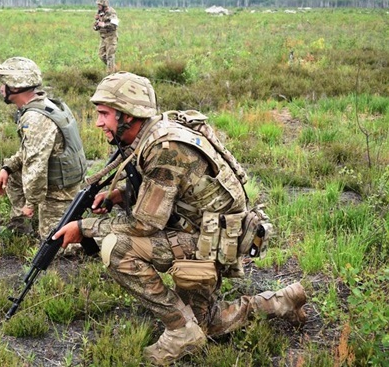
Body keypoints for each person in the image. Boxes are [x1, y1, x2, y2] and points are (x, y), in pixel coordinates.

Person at [53, 72, 307, 365]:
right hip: (208, 231)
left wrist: (83, 228)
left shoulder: (165, 148)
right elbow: (173, 188)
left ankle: (179, 331)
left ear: (129, 115)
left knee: (116, 247)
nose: (98, 123)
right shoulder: (155, 131)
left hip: (211, 240)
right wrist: (119, 194)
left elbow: (145, 224)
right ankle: (283, 301)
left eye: (104, 114)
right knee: (206, 324)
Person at [0, 57, 87, 243]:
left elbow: (36, 166)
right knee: (13, 175)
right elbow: (29, 151)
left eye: (4, 84)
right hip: (56, 178)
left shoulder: (35, 119)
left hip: (60, 188)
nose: (1, 88)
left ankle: (100, 236)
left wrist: (31, 203)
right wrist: (8, 167)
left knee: (56, 244)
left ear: (16, 86)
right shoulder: (41, 105)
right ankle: (20, 224)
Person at [93, 0, 119, 73]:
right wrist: (96, 25)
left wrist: (104, 25)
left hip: (111, 37)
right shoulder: (100, 12)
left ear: (104, 5)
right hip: (103, 37)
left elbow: (114, 25)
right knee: (101, 55)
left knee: (110, 57)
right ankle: (117, 72)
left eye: (99, 4)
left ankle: (111, 76)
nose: (98, 6)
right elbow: (98, 24)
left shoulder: (111, 12)